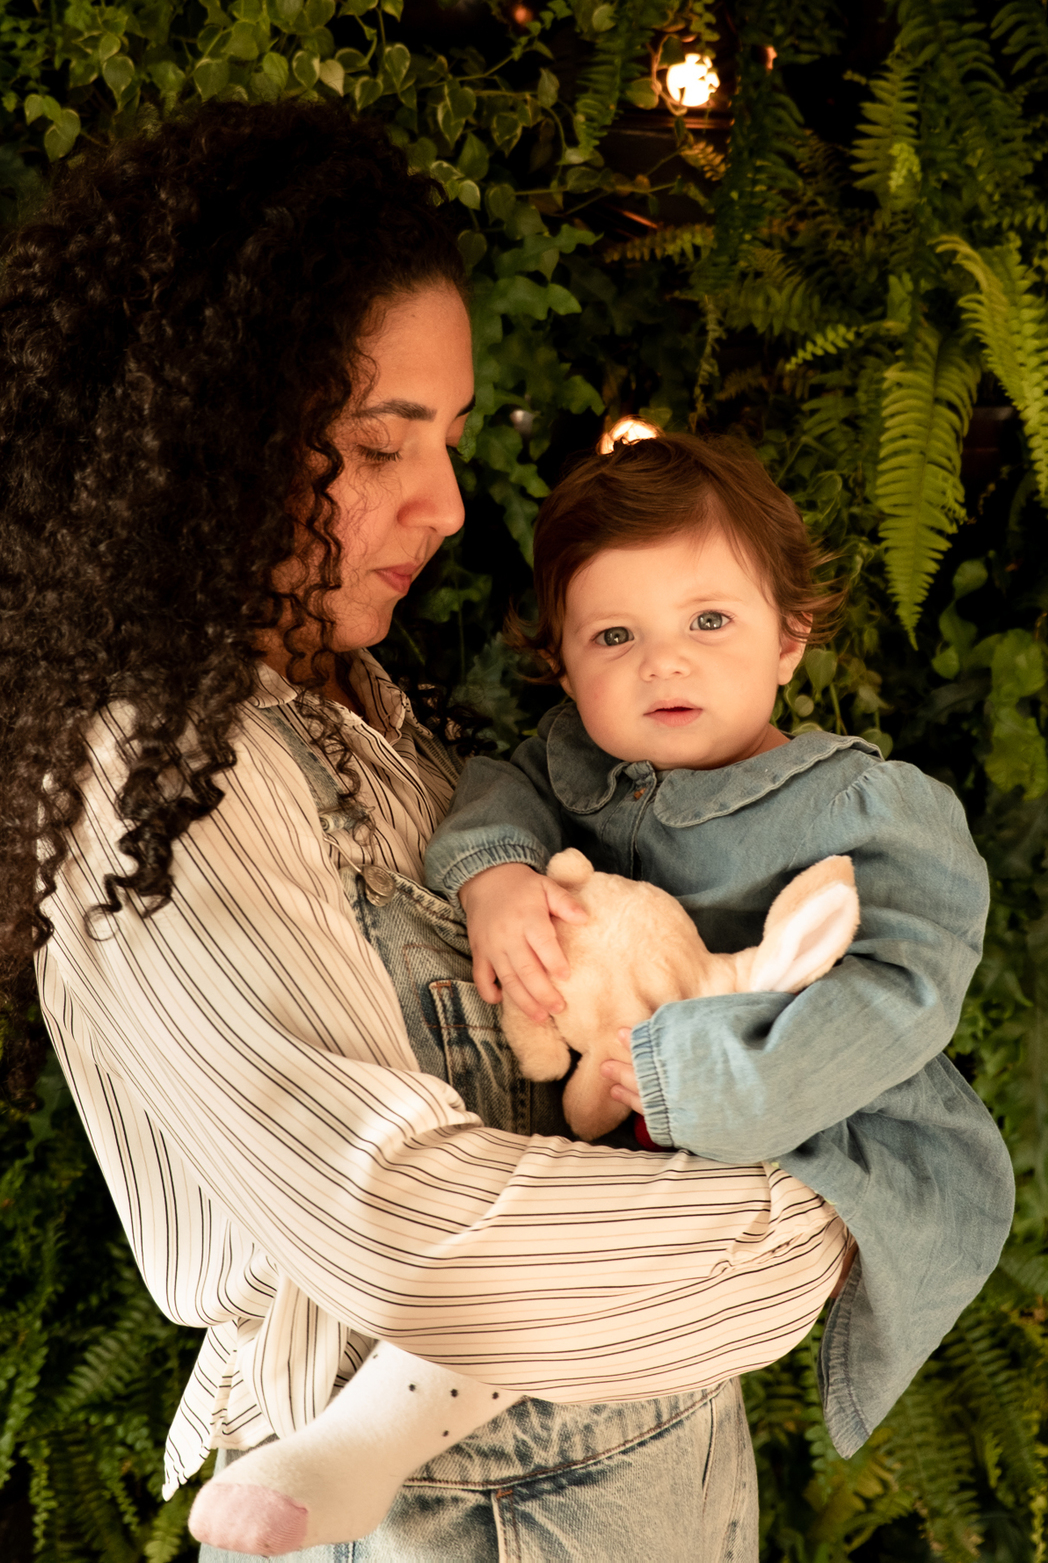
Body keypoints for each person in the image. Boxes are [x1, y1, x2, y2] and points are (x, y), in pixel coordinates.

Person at [0, 100, 861, 1563]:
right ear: (211, 439)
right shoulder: (157, 775)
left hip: (651, 1483)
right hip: (450, 1521)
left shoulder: (369, 708)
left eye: (447, 439)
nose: (446, 505)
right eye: (381, 443)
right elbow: (401, 1227)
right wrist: (825, 1218)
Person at [192, 434, 1014, 1556]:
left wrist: (685, 1077)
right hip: (607, 1111)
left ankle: (364, 1442)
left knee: (584, 1252)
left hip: (811, 1114)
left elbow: (899, 997)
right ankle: (357, 1446)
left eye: (709, 621)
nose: (663, 664)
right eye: (614, 636)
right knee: (530, 1229)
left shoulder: (864, 807)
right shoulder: (574, 761)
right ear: (565, 664)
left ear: (790, 637)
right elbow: (499, 795)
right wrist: (495, 878)